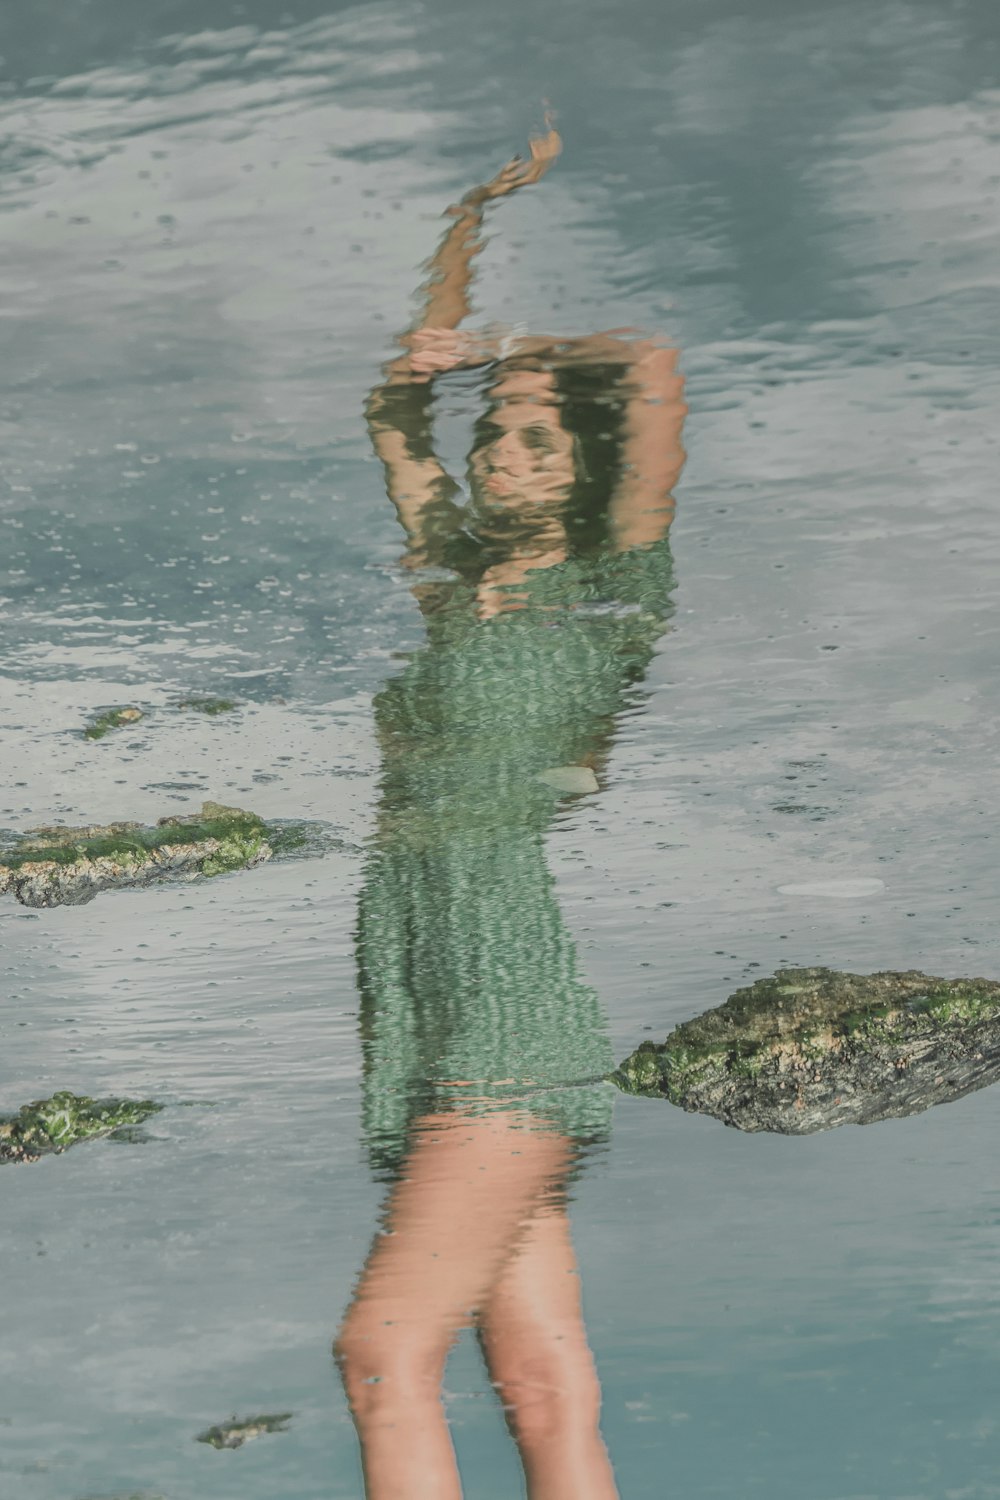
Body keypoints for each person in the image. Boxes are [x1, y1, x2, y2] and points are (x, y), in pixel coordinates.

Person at [335, 126, 687, 1500]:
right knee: (543, 1389)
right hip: (419, 994)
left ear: (586, 472)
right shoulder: (448, 582)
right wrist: (465, 224)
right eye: (496, 435)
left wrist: (505, 345)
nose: (504, 452)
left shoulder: (617, 589)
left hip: (503, 1002)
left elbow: (650, 369)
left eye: (538, 438)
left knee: (381, 1350)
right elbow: (390, 413)